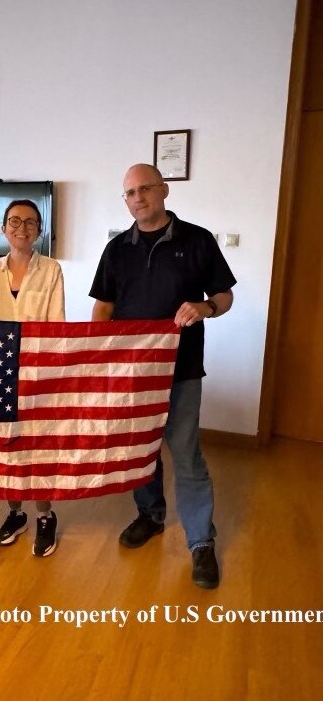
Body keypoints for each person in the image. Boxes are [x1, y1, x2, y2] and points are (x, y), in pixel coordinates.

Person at [90, 163, 236, 589]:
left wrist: (205, 308)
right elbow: (103, 307)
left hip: (183, 370)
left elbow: (224, 296)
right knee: (141, 450)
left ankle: (200, 542)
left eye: (145, 189)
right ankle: (150, 516)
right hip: (132, 371)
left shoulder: (198, 240)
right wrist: (99, 356)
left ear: (164, 190)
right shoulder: (117, 249)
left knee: (186, 454)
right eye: (130, 192)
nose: (138, 198)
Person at [0, 199, 65, 557]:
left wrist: (37, 364)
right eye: (14, 221)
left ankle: (45, 515)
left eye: (30, 222)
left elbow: (56, 323)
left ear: (39, 231)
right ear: (3, 228)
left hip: (38, 371)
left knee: (38, 447)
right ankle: (14, 513)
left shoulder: (52, 270)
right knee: (8, 445)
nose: (22, 228)